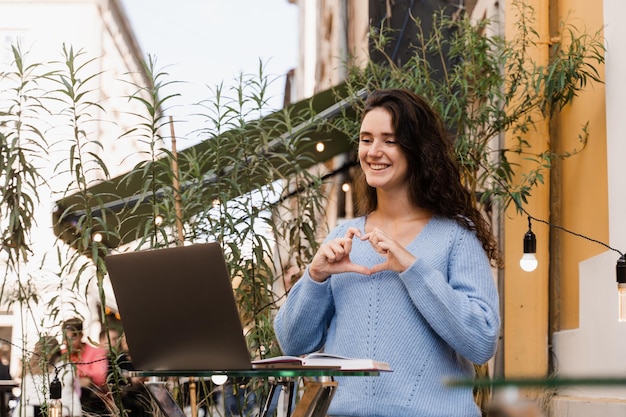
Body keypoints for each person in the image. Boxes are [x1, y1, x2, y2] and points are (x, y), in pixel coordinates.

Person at [273, 88, 501, 417]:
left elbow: (481, 342)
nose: (373, 152)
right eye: (366, 139)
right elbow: (292, 344)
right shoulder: (344, 237)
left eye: (389, 140)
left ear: (416, 150)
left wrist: (412, 267)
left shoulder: (455, 235)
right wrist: (316, 276)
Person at [12, 336, 81, 417]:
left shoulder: (29, 372)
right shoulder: (66, 368)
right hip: (61, 412)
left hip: (27, 412)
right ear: (57, 351)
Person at [61, 318, 108, 415]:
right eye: (65, 338)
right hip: (66, 404)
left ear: (81, 335)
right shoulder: (61, 354)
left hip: (92, 404)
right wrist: (81, 378)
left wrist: (73, 377)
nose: (67, 342)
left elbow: (100, 377)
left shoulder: (96, 352)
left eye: (72, 338)